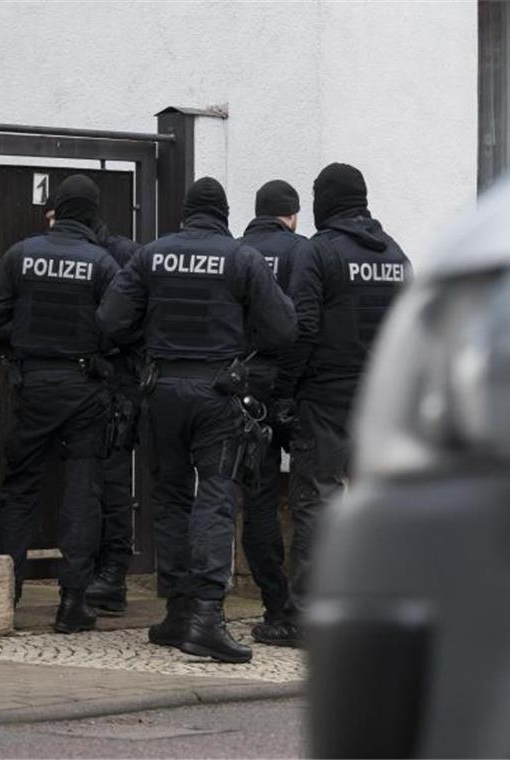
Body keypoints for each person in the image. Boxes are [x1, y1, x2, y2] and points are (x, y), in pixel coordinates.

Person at [97, 177, 297, 663]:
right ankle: (206, 616)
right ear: (225, 213)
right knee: (215, 495)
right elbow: (283, 328)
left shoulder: (151, 255)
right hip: (217, 392)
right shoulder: (241, 257)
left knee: (168, 498)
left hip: (160, 391)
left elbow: (110, 320)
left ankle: (178, 610)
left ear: (185, 214)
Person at [0, 174, 121, 634]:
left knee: (19, 488)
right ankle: (72, 603)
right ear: (93, 214)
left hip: (33, 384)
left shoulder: (21, 254)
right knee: (82, 491)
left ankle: (7, 594)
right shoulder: (102, 263)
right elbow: (120, 326)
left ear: (55, 210)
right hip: (83, 386)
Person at [277, 163, 412, 635]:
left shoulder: (319, 253)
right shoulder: (396, 254)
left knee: (318, 500)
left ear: (325, 201)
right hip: (382, 398)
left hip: (328, 396)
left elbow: (304, 327)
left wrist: (285, 391)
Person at [237, 180, 308, 646]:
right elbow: (309, 321)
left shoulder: (236, 252)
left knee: (257, 498)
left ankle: (275, 606)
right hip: (298, 386)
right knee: (312, 497)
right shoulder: (306, 252)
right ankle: (307, 604)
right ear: (294, 215)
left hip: (246, 386)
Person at [84, 216, 144, 615]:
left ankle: (113, 574)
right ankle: (100, 573)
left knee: (113, 480)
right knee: (93, 480)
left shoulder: (123, 254)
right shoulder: (117, 253)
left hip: (120, 381)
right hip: (101, 380)